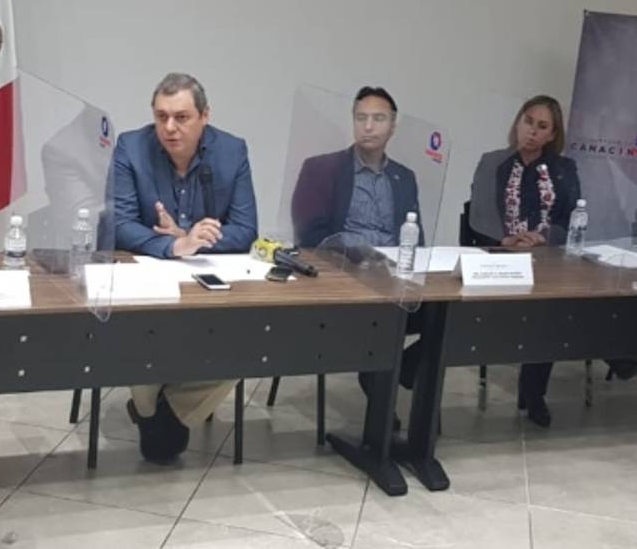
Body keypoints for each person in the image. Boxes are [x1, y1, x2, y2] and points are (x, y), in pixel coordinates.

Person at [468, 95, 637, 427]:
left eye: (542, 126)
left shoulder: (563, 169)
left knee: (556, 302)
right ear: (518, 122)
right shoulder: (493, 162)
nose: (532, 131)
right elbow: (478, 213)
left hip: (546, 258)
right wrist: (506, 240)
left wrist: (542, 237)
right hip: (502, 256)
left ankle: (534, 393)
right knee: (550, 306)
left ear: (552, 135)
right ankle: (613, 354)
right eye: (527, 121)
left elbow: (571, 218)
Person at [112, 72, 258, 462]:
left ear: (205, 116)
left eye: (181, 117)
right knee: (139, 334)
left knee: (250, 339)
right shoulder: (131, 147)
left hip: (210, 279)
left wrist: (197, 240)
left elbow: (246, 230)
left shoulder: (232, 151)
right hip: (150, 278)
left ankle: (168, 415)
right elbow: (120, 225)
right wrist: (175, 245)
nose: (170, 128)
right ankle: (151, 413)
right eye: (161, 117)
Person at [291, 86, 424, 396]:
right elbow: (309, 236)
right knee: (383, 321)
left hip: (393, 280)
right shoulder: (322, 169)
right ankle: (381, 404)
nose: (368, 126)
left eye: (378, 119)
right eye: (361, 118)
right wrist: (357, 256)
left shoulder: (404, 177)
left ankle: (401, 374)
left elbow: (416, 237)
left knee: (446, 319)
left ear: (393, 126)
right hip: (345, 278)